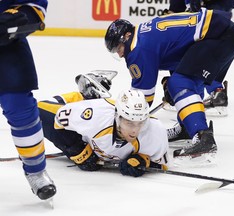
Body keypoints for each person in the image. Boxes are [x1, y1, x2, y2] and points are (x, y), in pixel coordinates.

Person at [104, 8, 234, 158]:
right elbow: (178, 52)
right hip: (225, 34)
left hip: (219, 37)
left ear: (127, 36)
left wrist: (123, 122)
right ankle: (188, 127)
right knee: (183, 81)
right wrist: (167, 86)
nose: (120, 53)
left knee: (179, 83)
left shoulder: (137, 48)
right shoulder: (144, 34)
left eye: (118, 47)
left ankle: (203, 138)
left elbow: (141, 99)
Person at [38, 75, 169, 177]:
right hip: (83, 107)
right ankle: (86, 95)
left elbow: (162, 163)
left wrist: (142, 161)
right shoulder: (94, 116)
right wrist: (76, 150)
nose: (135, 130)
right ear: (117, 117)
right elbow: (39, 112)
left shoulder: (155, 131)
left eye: (140, 123)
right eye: (129, 122)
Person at [0, 1, 56, 200]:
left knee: (19, 106)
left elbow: (34, 7)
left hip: (5, 49)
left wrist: (16, 18)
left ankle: (36, 171)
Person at [163, 0, 234, 117]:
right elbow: (177, 7)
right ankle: (203, 94)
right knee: (195, 51)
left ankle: (214, 92)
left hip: (215, 6)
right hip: (207, 8)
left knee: (207, 50)